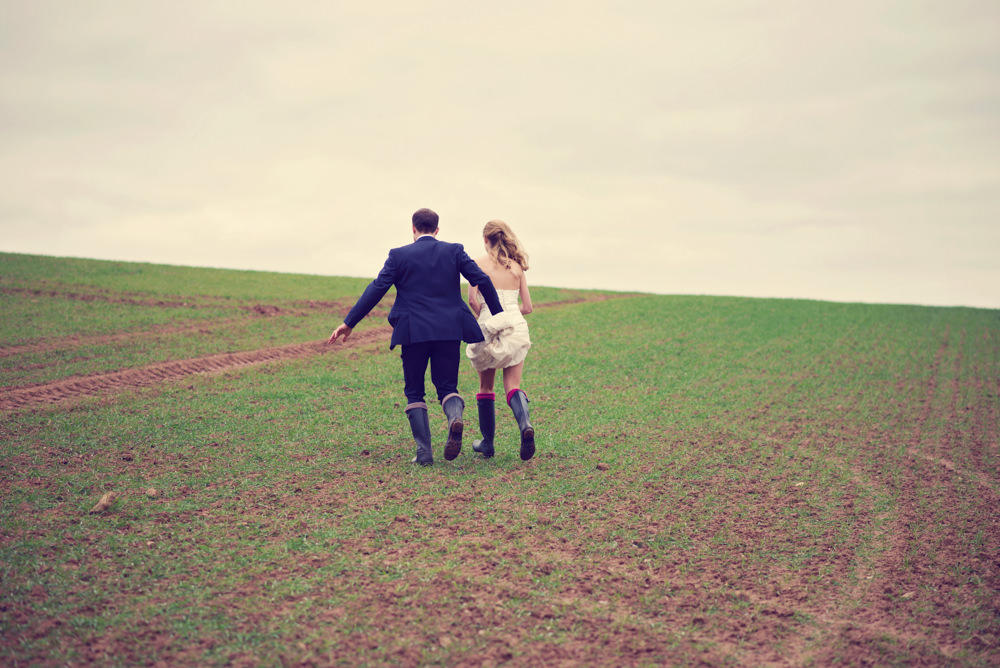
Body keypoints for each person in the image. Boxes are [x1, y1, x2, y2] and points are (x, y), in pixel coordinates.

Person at [328, 208, 504, 466]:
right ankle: (454, 417)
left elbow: (377, 288)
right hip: (448, 330)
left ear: (413, 229)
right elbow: (483, 280)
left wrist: (349, 322)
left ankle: (424, 453)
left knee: (414, 391)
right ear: (437, 230)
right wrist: (498, 314)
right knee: (447, 386)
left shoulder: (398, 256)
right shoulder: (454, 250)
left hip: (413, 332)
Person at [465, 220, 536, 461]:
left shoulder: (477, 264)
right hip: (514, 325)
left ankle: (487, 443)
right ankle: (525, 424)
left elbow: (472, 300)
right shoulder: (517, 267)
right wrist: (511, 313)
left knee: (486, 387)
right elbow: (527, 307)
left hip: (487, 325)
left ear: (486, 240)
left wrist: (482, 316)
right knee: (513, 386)